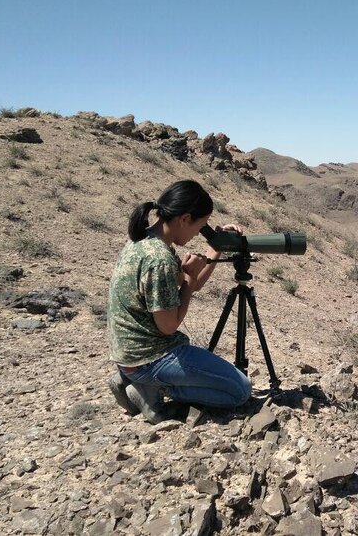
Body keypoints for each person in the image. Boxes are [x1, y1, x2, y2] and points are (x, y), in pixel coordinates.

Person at [106, 179, 252, 423]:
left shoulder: (145, 240)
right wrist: (188, 279)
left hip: (130, 355)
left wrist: (217, 247)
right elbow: (168, 325)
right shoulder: (159, 260)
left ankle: (139, 380)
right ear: (184, 219)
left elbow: (192, 284)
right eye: (200, 225)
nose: (198, 232)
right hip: (150, 358)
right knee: (240, 390)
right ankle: (153, 390)